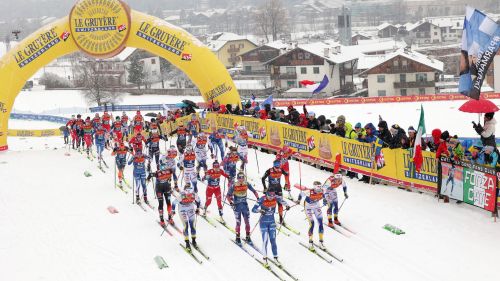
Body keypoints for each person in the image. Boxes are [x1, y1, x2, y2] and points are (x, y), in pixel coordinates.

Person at [251, 191, 289, 266]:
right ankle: (264, 259)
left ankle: (275, 258)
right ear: (266, 195)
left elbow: (283, 201)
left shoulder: (276, 197)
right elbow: (253, 209)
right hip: (263, 223)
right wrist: (260, 210)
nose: (271, 198)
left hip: (272, 222)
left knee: (273, 240)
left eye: (273, 196)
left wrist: (287, 206)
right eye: (269, 196)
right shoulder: (262, 199)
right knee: (265, 241)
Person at [226, 171, 259, 245]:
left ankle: (248, 236)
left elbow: (254, 191)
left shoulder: (246, 183)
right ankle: (237, 237)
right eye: (239, 178)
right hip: (237, 206)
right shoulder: (234, 185)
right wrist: (231, 203)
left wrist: (258, 198)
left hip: (244, 205)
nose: (241, 179)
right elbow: (228, 195)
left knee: (247, 222)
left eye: (242, 177)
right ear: (237, 178)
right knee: (238, 222)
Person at [297, 181, 325, 250]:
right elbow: (300, 194)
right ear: (314, 187)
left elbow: (324, 196)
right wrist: (298, 200)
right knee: (312, 223)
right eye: (318, 187)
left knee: (321, 223)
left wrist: (325, 201)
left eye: (320, 186)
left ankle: (321, 242)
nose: (319, 188)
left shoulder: (322, 191)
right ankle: (310, 242)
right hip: (308, 207)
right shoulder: (309, 191)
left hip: (316, 207)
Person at [173, 182, 201, 250]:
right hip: (182, 209)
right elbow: (174, 203)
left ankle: (194, 241)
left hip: (190, 208)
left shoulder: (193, 194)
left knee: (192, 225)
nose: (189, 195)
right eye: (188, 194)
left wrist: (197, 208)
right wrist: (173, 211)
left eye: (190, 193)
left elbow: (198, 200)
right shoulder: (182, 195)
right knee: (186, 225)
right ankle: (187, 242)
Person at [148, 161, 176, 226]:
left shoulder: (169, 171)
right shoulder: (158, 173)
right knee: (161, 204)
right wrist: (148, 179)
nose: (163, 169)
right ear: (160, 168)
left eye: (164, 167)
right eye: (162, 168)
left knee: (168, 203)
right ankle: (162, 220)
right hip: (159, 190)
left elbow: (174, 170)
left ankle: (170, 218)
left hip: (167, 188)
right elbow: (150, 174)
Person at [261, 160, 289, 224]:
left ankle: (281, 218)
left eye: (278, 165)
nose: (277, 167)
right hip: (271, 190)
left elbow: (287, 174)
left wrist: (286, 183)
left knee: (280, 203)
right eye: (276, 165)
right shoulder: (269, 170)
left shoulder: (281, 170)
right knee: (270, 204)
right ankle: (268, 217)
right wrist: (265, 188)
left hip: (279, 189)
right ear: (274, 165)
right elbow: (263, 178)